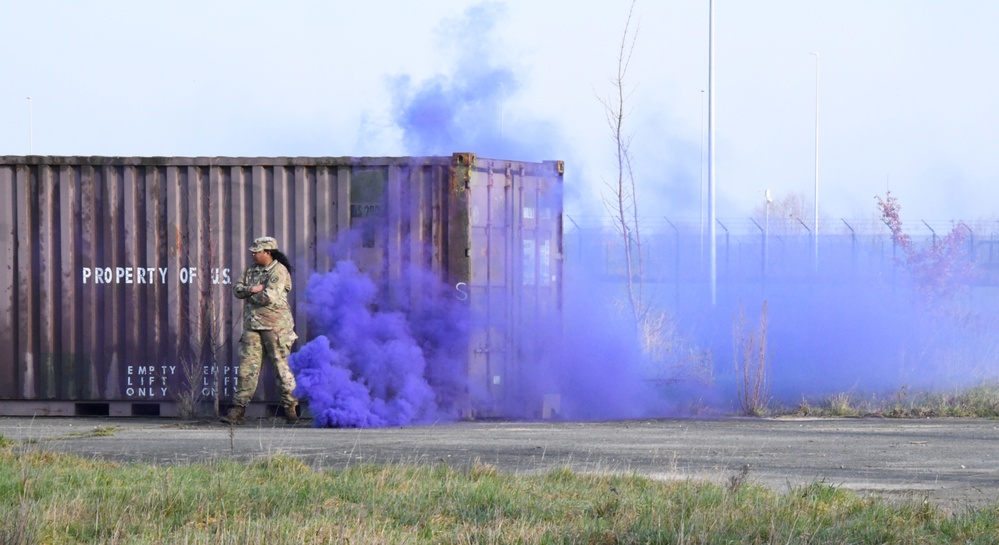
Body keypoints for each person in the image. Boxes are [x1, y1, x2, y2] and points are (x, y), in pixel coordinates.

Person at [221, 236, 300, 425]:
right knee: (247, 370)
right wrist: (253, 289)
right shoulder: (252, 271)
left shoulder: (279, 271)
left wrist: (251, 294)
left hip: (276, 328)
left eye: (257, 252)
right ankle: (238, 410)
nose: (253, 255)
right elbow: (237, 290)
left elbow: (269, 298)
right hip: (253, 327)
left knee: (281, 369)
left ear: (268, 252)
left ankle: (291, 410)